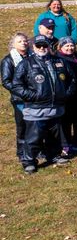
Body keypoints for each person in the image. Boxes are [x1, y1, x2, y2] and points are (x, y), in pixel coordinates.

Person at [9, 35, 75, 173]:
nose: (42, 48)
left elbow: (72, 79)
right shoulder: (26, 64)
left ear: (49, 47)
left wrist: (65, 94)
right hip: (36, 109)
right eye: (38, 46)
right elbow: (16, 85)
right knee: (33, 137)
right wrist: (33, 96)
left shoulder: (60, 61)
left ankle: (54, 155)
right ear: (33, 47)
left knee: (55, 135)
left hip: (56, 108)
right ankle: (29, 161)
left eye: (44, 45)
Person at [2, 33, 31, 165]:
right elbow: (6, 81)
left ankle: (36, 149)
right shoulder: (8, 60)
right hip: (19, 99)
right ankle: (21, 152)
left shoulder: (33, 56)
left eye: (25, 41)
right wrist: (21, 91)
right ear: (14, 44)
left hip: (34, 97)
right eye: (19, 41)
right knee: (22, 126)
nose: (23, 43)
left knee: (35, 125)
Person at [56, 37, 77, 155]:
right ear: (60, 47)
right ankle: (66, 144)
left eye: (71, 45)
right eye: (66, 46)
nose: (70, 48)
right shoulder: (58, 59)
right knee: (66, 121)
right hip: (67, 96)